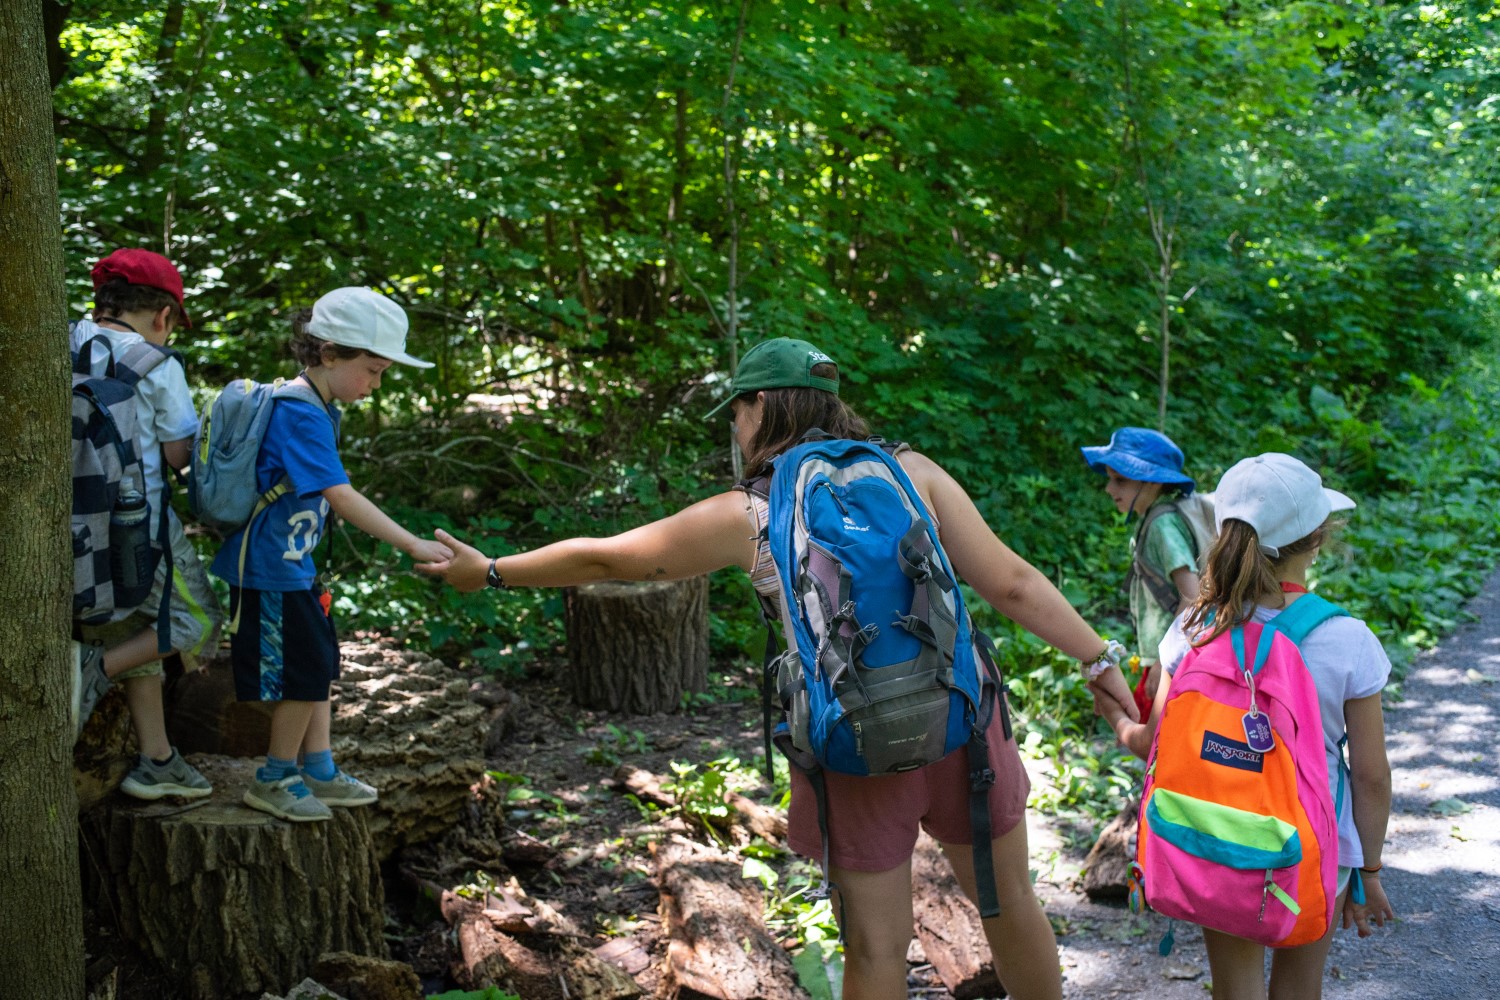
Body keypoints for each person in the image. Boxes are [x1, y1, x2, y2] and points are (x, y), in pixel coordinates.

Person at [417, 337, 1139, 1000]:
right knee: (1008, 897)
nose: (734, 429)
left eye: (734, 413)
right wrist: (1098, 657)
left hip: (855, 740)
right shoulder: (911, 471)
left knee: (878, 948)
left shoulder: (750, 513)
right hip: (964, 719)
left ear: (761, 405)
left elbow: (611, 555)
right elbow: (1010, 581)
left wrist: (491, 572)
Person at [1099, 453, 1395, 999]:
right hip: (1310, 848)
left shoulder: (1194, 626)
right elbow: (1372, 776)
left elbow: (1157, 742)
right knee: (1298, 988)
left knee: (1235, 990)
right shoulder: (1347, 640)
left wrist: (1118, 719)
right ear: (1318, 538)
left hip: (1218, 836)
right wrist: (1368, 871)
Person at [209, 287, 452, 822]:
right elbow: (339, 495)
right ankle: (275, 776)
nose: (376, 383)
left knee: (317, 667)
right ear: (328, 354)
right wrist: (411, 542)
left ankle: (318, 767)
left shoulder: (320, 408)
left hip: (293, 566)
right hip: (269, 570)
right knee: (300, 673)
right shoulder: (301, 413)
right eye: (372, 369)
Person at [72, 248, 224, 800]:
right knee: (198, 622)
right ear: (163, 317)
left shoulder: (62, 342)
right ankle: (94, 670)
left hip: (79, 534)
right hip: (144, 530)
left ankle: (157, 758)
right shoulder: (156, 363)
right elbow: (180, 454)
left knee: (134, 625)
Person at [1081, 426, 1202, 720]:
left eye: (1120, 480)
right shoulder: (1153, 519)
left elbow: (1194, 596)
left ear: (1152, 482)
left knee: (1154, 743)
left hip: (1174, 660)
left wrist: (1165, 663)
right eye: (1110, 480)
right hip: (1168, 656)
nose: (1110, 489)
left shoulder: (1163, 526)